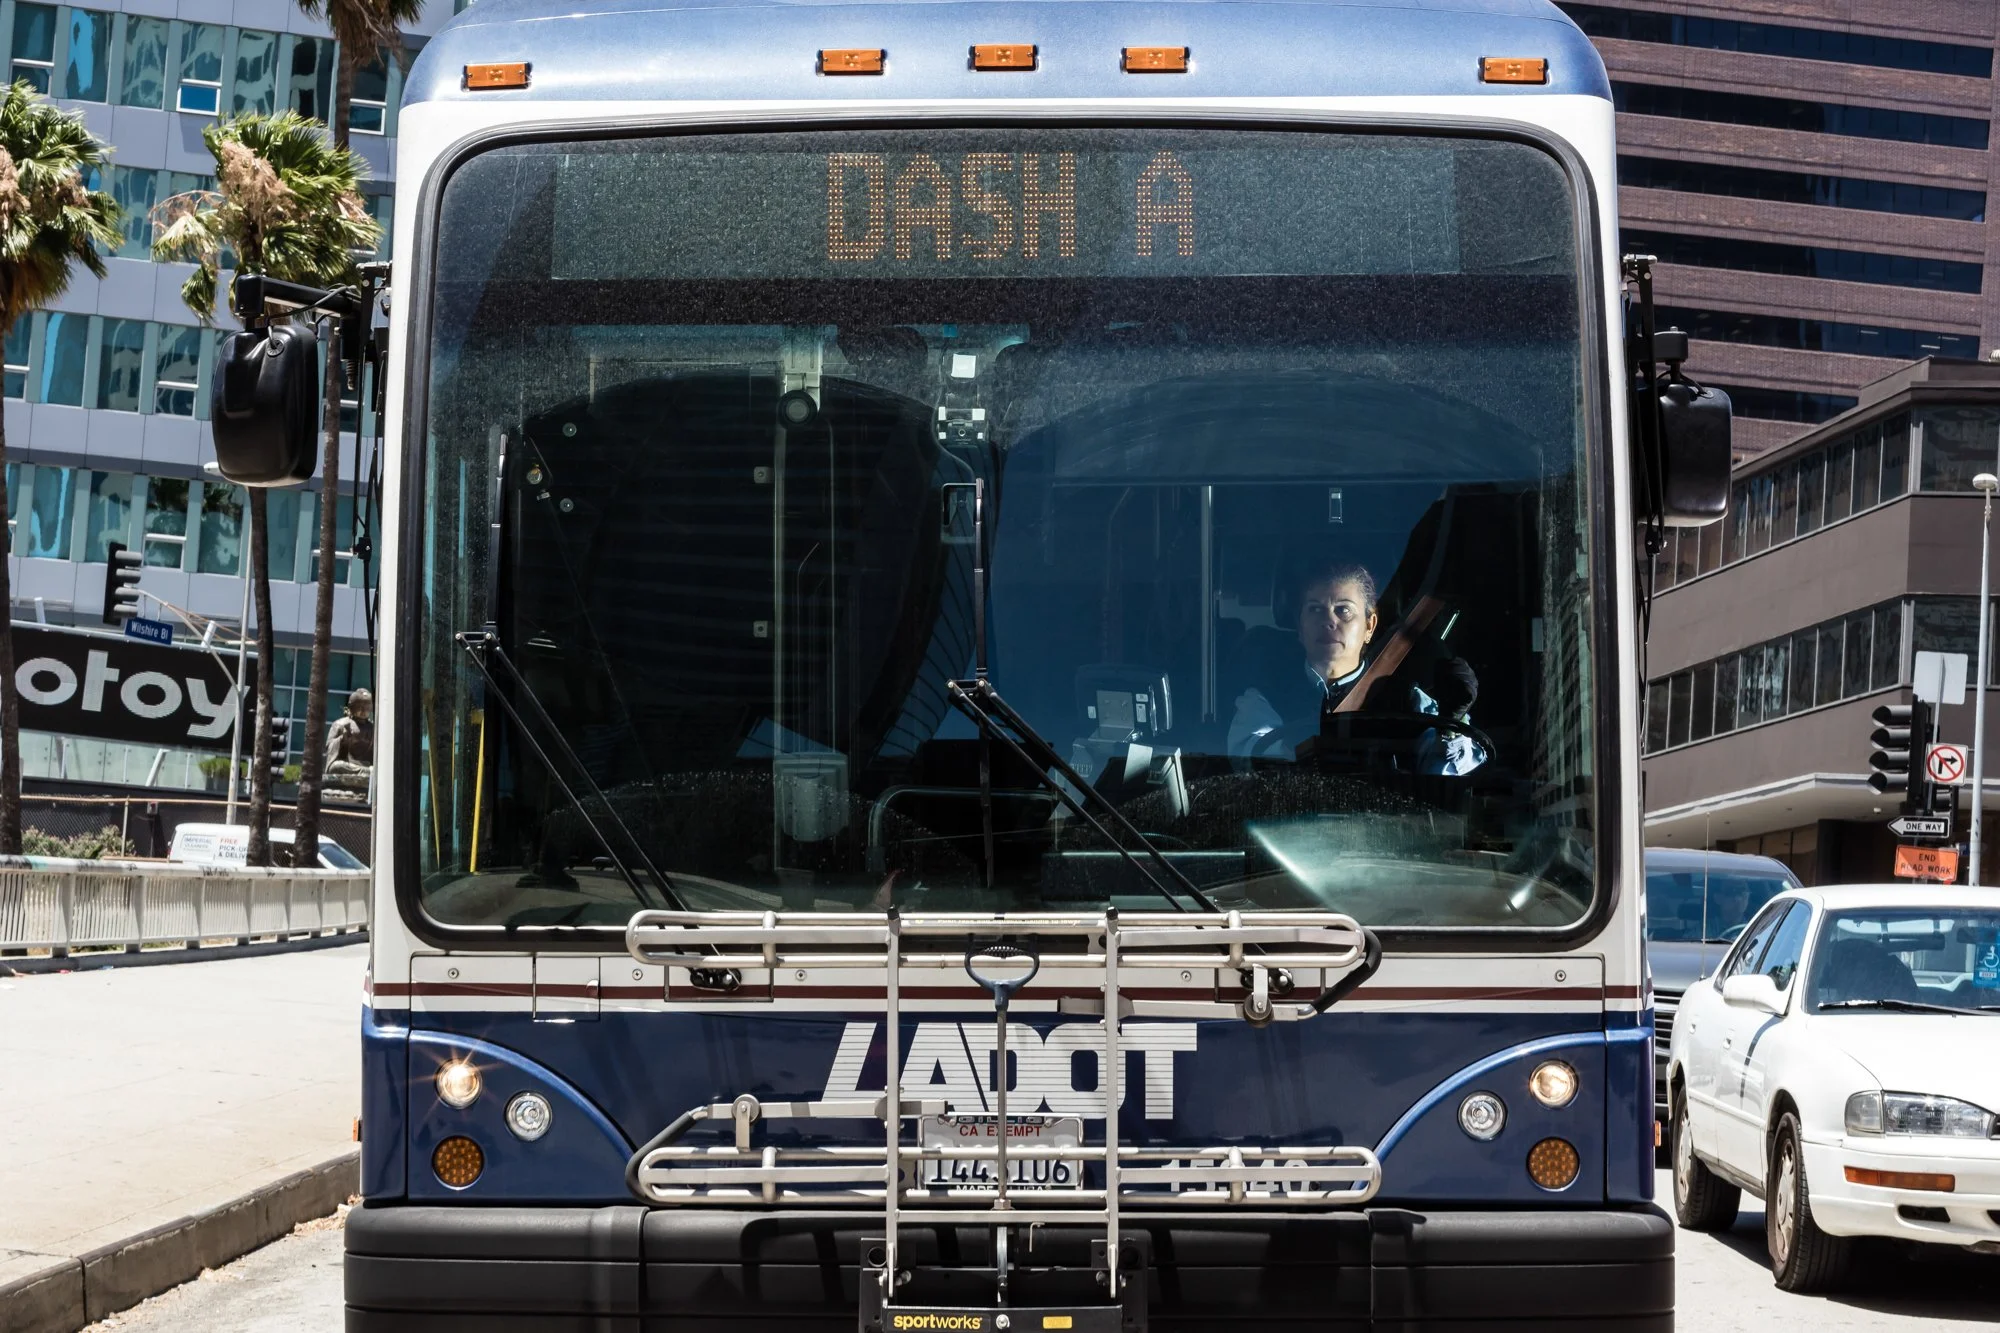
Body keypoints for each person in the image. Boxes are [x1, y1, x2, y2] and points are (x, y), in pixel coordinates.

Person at [1227, 561, 1485, 774]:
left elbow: (1448, 772)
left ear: (1369, 626)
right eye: (1315, 609)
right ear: (1300, 627)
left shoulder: (1408, 700)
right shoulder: (1265, 698)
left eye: (1344, 611)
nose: (1329, 621)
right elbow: (1249, 758)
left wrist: (1450, 726)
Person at [324, 688, 374, 794]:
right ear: (351, 708)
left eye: (366, 707)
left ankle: (367, 771)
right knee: (336, 767)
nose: (363, 711)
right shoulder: (341, 724)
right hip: (347, 763)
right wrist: (342, 739)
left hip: (366, 764)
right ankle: (366, 771)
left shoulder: (374, 728)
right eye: (360, 707)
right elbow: (329, 746)